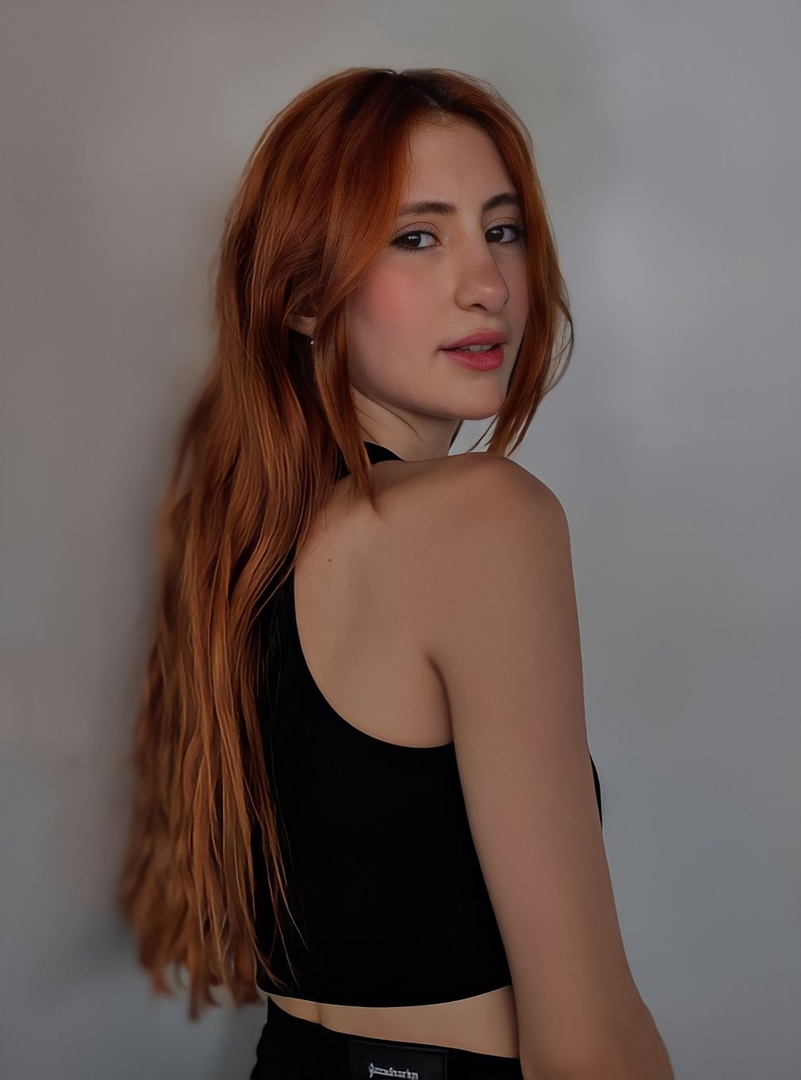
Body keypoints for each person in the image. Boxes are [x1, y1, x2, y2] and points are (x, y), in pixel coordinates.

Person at [117, 67, 674, 1080]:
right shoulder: (483, 516)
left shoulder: (249, 541)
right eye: (417, 236)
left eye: (502, 229)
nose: (487, 283)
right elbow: (589, 1038)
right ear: (300, 294)